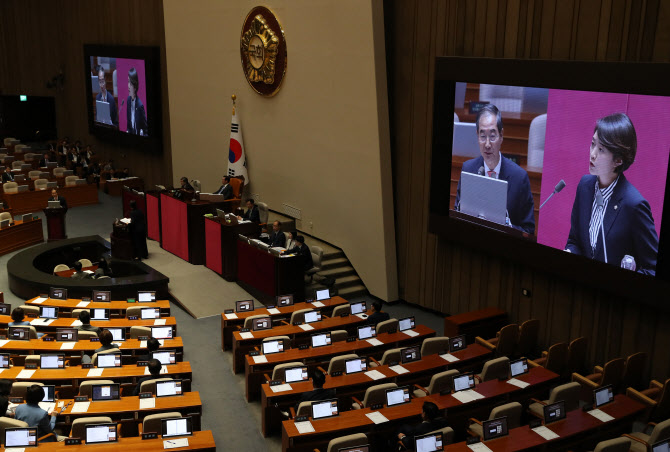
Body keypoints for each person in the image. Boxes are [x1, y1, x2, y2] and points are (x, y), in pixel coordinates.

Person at [565, 113, 658, 275]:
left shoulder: (634, 205)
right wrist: (569, 253)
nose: (592, 154)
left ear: (619, 160)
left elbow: (653, 268)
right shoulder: (584, 187)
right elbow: (575, 241)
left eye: (601, 150)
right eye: (592, 144)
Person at [454, 104, 535, 234]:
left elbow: (528, 231)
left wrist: (507, 228)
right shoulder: (468, 169)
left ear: (501, 135)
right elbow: (458, 215)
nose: (487, 144)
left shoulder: (519, 178)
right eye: (482, 136)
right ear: (477, 136)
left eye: (492, 136)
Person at [126, 67, 148, 136]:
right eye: (128, 82)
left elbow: (146, 131)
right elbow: (129, 126)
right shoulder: (128, 101)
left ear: (135, 87)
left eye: (131, 83)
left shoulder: (139, 106)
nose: (128, 86)